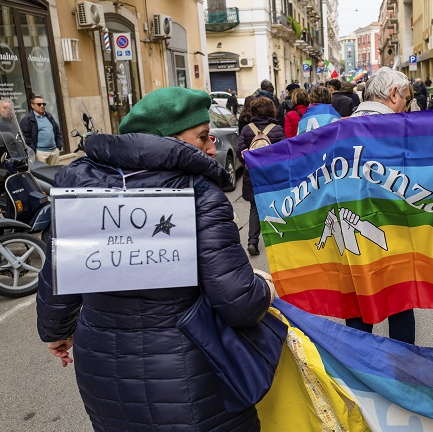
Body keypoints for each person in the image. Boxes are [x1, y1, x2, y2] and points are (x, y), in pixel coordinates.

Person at [37, 86, 276, 431]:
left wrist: (55, 332)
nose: (212, 147)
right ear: (169, 139)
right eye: (203, 137)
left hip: (103, 374)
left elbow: (58, 275)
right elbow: (239, 303)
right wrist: (264, 287)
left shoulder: (79, 185)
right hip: (192, 372)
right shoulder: (200, 193)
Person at [347, 67, 433, 344]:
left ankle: (356, 379)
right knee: (400, 309)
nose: (408, 107)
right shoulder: (400, 131)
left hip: (351, 246)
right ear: (394, 94)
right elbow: (432, 177)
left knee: (357, 317)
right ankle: (400, 376)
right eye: (407, 99)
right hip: (396, 238)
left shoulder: (339, 128)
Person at [237, 97, 286, 256]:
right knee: (275, 204)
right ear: (272, 110)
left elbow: (239, 152)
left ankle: (252, 241)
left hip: (252, 174)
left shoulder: (246, 129)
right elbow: (284, 153)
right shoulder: (277, 129)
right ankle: (278, 241)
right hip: (272, 174)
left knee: (254, 207)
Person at [20, 95, 64, 165]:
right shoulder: (27, 120)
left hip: (54, 151)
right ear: (32, 105)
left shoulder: (48, 116)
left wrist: (58, 147)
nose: (42, 106)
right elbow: (26, 138)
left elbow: (57, 131)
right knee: (42, 174)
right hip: (40, 153)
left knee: (53, 173)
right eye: (39, 104)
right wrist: (34, 151)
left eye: (43, 104)